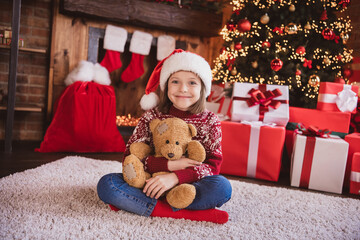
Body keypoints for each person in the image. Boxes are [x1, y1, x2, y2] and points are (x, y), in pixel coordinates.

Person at [97, 49, 232, 224]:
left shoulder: (210, 120)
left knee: (222, 187)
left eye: (192, 83)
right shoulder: (152, 116)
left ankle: (138, 204)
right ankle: (186, 214)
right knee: (108, 184)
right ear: (166, 85)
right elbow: (129, 158)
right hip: (150, 184)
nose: (183, 89)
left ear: (203, 88)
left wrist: (176, 177)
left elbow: (213, 166)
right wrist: (168, 165)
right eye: (175, 81)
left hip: (188, 187)